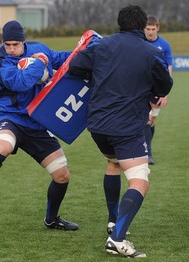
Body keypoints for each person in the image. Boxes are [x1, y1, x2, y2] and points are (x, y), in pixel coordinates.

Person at [68, 5, 173, 258]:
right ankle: (117, 238)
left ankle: (113, 220)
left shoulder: (101, 46)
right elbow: (165, 85)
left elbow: (75, 67)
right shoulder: (151, 51)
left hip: (97, 126)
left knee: (113, 164)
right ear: (141, 26)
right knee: (140, 181)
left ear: (120, 23)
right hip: (127, 126)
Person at [0, 20, 79, 231]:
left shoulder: (39, 49)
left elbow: (61, 59)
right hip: (10, 117)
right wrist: (40, 64)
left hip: (36, 122)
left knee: (62, 175)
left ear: (24, 41)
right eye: (7, 44)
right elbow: (19, 83)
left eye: (15, 45)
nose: (11, 49)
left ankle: (52, 219)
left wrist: (86, 50)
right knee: (3, 147)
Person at [144, 15, 174, 164]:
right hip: (141, 87)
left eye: (152, 29)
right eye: (147, 29)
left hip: (157, 89)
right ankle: (147, 152)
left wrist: (165, 92)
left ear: (158, 28)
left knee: (151, 121)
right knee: (145, 121)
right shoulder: (140, 42)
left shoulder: (164, 45)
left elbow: (168, 68)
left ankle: (146, 149)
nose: (150, 32)